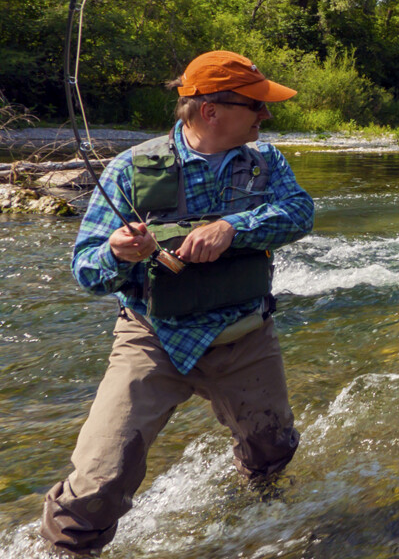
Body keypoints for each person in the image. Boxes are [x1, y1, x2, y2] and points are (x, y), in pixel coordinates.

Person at [40, 50, 314, 556]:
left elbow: (300, 214)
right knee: (99, 481)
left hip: (244, 336)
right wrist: (117, 254)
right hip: (152, 340)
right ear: (211, 111)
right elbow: (86, 271)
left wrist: (234, 227)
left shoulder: (267, 162)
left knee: (272, 450)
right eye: (257, 105)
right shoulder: (130, 169)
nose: (266, 115)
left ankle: (261, 519)